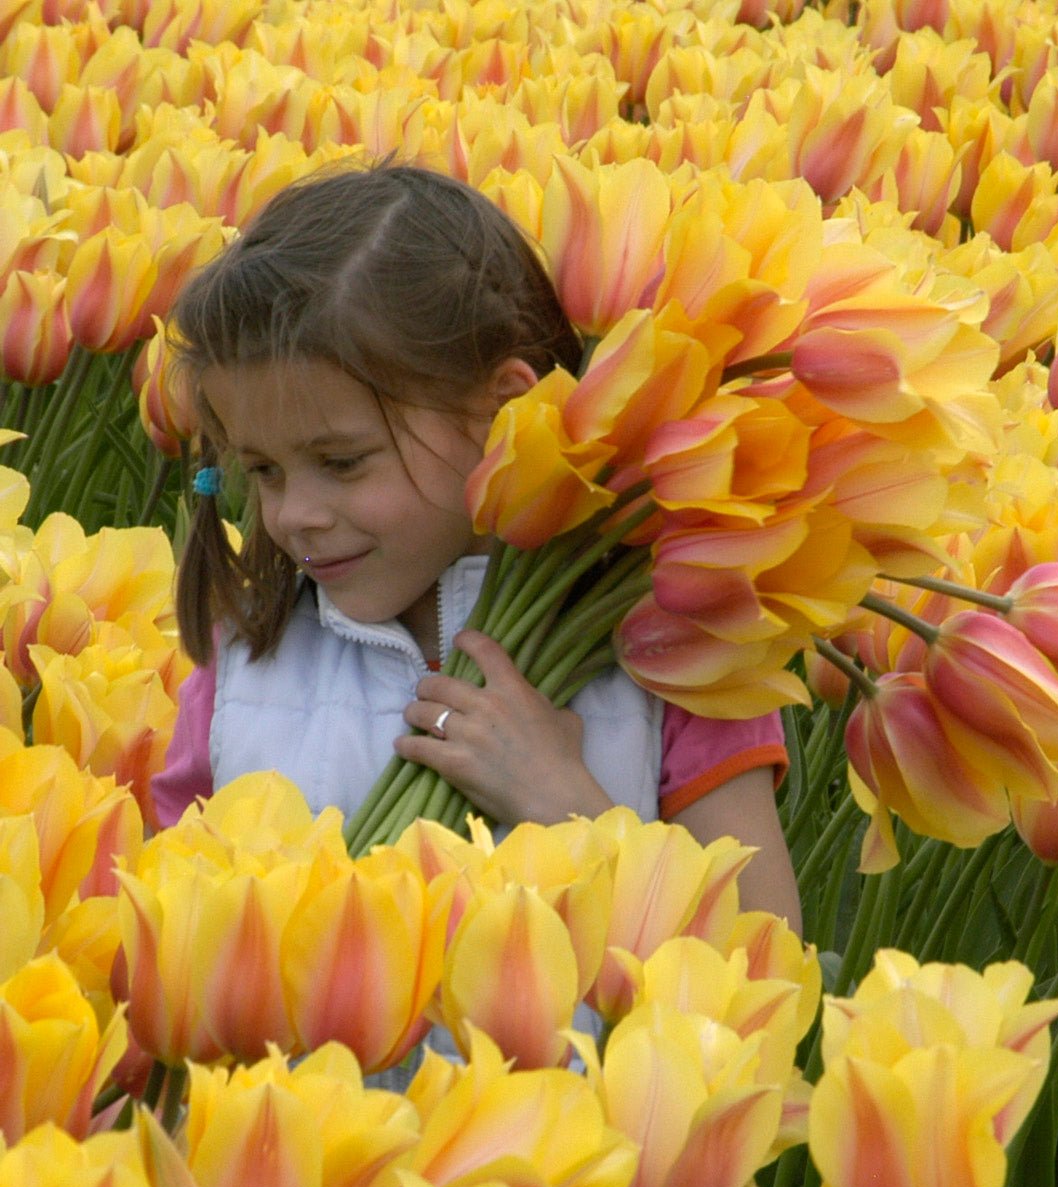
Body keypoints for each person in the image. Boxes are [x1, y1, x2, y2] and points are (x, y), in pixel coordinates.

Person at [151, 161, 802, 930]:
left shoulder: (672, 662)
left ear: (506, 412)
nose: (296, 515)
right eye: (262, 471)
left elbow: (762, 961)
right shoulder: (244, 668)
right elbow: (177, 942)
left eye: (341, 462)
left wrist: (571, 807)